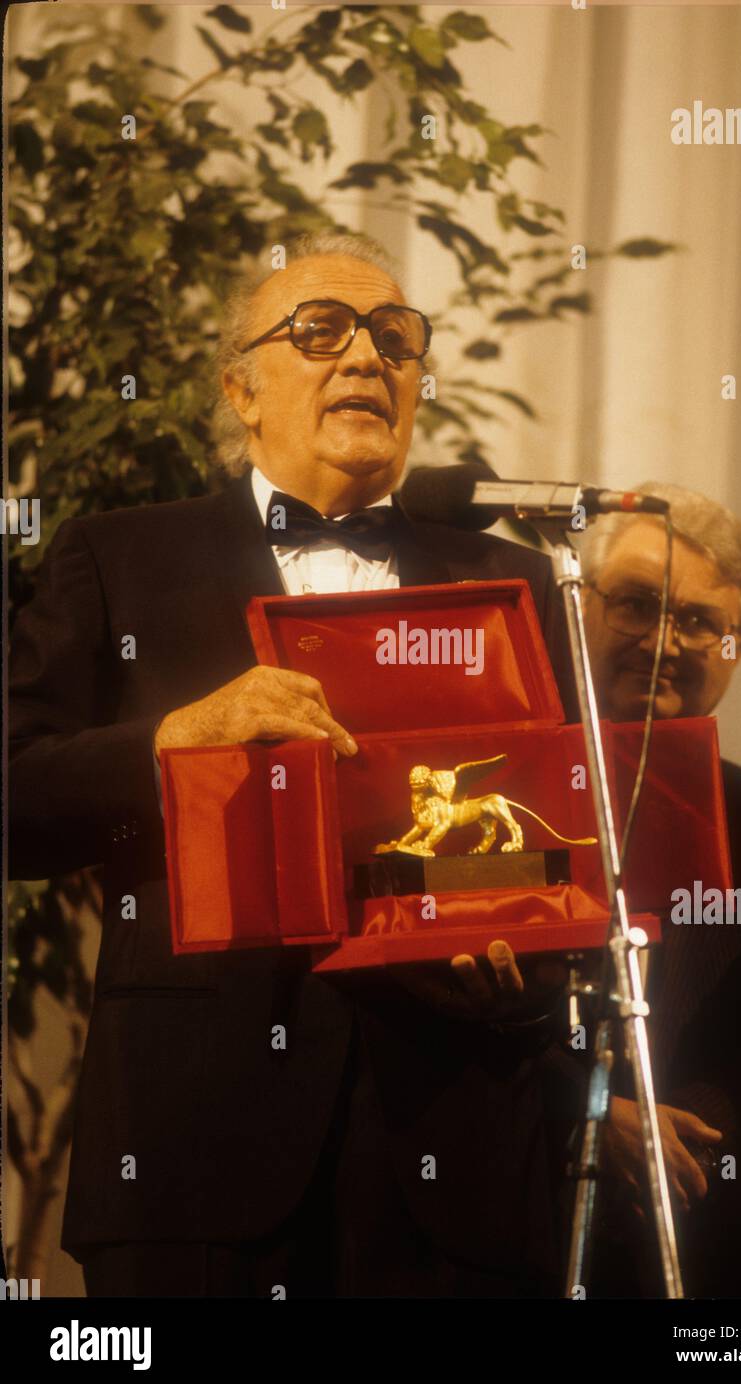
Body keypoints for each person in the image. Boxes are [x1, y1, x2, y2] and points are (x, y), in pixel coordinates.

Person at [9, 232, 575, 1299]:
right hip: (190, 1151)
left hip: (455, 1157)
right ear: (240, 387)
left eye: (395, 337)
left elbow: (558, 839)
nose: (368, 357)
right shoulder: (118, 555)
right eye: (322, 331)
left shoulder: (514, 584)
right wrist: (173, 737)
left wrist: (529, 964)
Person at [544, 483, 741, 1298]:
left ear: (736, 650)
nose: (664, 642)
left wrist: (678, 1133)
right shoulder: (490, 792)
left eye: (700, 623)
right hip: (501, 1238)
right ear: (579, 610)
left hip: (696, 1250)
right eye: (637, 605)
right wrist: (587, 1113)